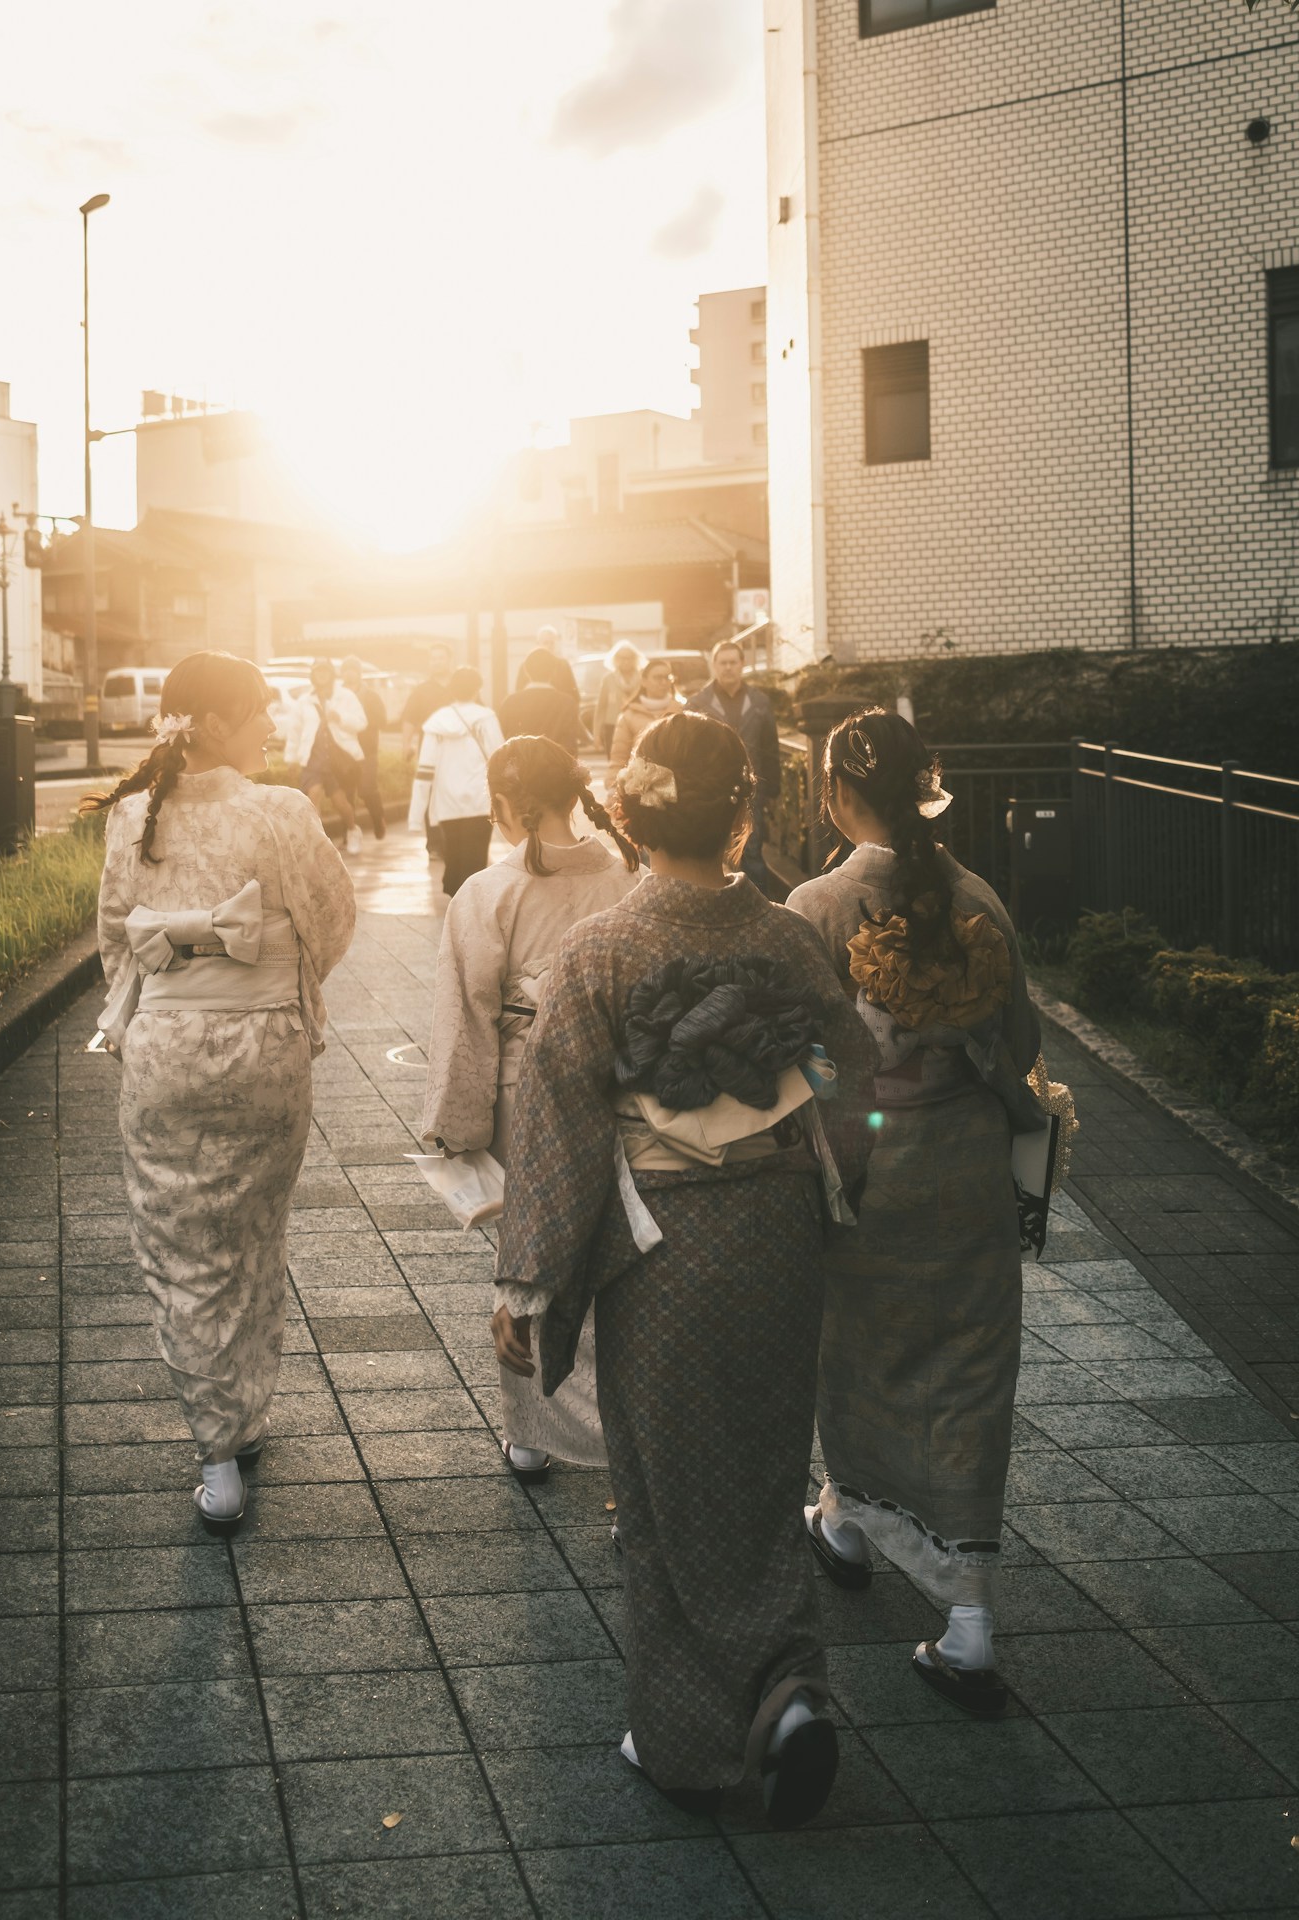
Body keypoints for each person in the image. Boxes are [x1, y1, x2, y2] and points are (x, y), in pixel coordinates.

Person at [492, 712, 874, 1828]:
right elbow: (849, 1081)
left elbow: (559, 1121)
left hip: (665, 1243)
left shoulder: (604, 949)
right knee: (760, 1471)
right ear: (742, 814)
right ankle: (790, 1687)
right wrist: (840, 1192)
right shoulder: (792, 940)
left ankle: (696, 1742)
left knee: (663, 1489)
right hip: (778, 1230)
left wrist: (528, 1285)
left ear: (633, 812)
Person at [786, 707, 1046, 1719]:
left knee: (857, 1358)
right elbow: (1017, 1037)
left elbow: (801, 1057)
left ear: (837, 794)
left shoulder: (816, 905)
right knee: (968, 1371)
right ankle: (967, 1619)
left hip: (866, 1170)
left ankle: (850, 1523)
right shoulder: (976, 897)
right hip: (968, 1168)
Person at [86, 651, 356, 1536]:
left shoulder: (134, 816)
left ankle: (216, 1452)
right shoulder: (281, 812)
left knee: (179, 1248)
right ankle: (245, 1415)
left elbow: (116, 944)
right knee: (251, 1235)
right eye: (256, 713)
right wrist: (280, 978)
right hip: (266, 1053)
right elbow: (331, 918)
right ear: (204, 723)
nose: (271, 727)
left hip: (168, 1055)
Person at [421, 736, 641, 1482]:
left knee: (530, 1253)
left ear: (510, 804)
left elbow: (466, 1022)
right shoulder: (628, 874)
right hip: (621, 1088)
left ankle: (531, 1433)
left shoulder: (489, 891)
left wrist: (459, 1129)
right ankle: (623, 1428)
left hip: (527, 1091)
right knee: (616, 1254)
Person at [686, 638, 782, 895]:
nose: (728, 667)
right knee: (708, 853)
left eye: (733, 662)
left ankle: (761, 909)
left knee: (751, 852)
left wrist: (773, 790)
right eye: (722, 662)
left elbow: (770, 747)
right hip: (709, 790)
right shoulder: (697, 703)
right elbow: (689, 752)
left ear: (742, 664)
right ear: (714, 665)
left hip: (752, 789)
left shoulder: (760, 701)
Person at [408, 665, 504, 897]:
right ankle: (470, 903)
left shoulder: (437, 721)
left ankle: (454, 897)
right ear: (477, 688)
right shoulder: (486, 717)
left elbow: (424, 770)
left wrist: (415, 816)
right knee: (476, 855)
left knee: (453, 852)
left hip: (446, 799)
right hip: (480, 797)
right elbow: (500, 757)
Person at [289, 658, 370, 855]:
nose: (322, 675)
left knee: (341, 802)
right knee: (313, 795)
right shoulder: (304, 700)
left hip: (337, 760)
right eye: (318, 671)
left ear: (332, 674)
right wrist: (291, 757)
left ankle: (352, 830)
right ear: (313, 675)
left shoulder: (346, 696)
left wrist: (340, 718)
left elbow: (362, 723)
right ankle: (317, 843)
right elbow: (295, 731)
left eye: (325, 671)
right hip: (313, 759)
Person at [606, 655, 685, 783]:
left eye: (667, 677)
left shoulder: (682, 712)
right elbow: (618, 758)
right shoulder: (628, 716)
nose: (663, 682)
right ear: (644, 681)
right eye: (657, 677)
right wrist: (613, 786)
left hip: (678, 785)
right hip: (639, 788)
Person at [339, 656, 389, 840]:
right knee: (346, 794)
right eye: (345, 670)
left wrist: (360, 721)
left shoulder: (371, 696)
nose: (348, 673)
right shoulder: (337, 695)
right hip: (343, 752)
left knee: (367, 789)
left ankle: (378, 820)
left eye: (352, 669)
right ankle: (349, 834)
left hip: (367, 751)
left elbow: (383, 720)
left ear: (359, 673)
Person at [498, 645, 581, 754]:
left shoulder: (510, 702)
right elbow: (570, 744)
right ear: (554, 671)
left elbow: (501, 741)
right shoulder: (567, 703)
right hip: (555, 766)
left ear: (526, 671)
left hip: (520, 766)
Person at [400, 642, 456, 761]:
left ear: (450, 660)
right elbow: (409, 718)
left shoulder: (461, 686)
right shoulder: (421, 690)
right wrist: (406, 744)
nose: (437, 662)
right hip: (430, 750)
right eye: (433, 659)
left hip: (458, 748)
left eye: (441, 658)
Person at [593, 641, 643, 756]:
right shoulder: (608, 679)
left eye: (629, 658)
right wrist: (596, 735)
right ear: (616, 660)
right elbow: (601, 708)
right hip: (612, 727)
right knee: (614, 762)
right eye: (622, 658)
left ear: (635, 659)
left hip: (636, 726)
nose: (626, 661)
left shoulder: (642, 678)